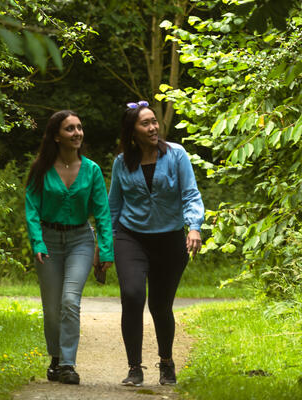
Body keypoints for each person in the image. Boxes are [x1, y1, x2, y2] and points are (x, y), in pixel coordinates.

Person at [107, 100, 205, 386]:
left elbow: (190, 194)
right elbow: (114, 206)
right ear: (132, 131)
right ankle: (134, 368)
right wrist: (106, 246)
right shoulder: (121, 162)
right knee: (133, 295)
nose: (153, 127)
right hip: (131, 237)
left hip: (169, 239)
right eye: (145, 123)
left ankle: (166, 362)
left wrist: (194, 227)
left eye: (154, 122)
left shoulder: (176, 155)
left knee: (161, 306)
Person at [24, 110, 115, 385]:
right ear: (56, 136)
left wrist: (106, 250)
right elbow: (31, 209)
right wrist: (37, 241)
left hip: (80, 241)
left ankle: (67, 364)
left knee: (69, 301)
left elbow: (102, 213)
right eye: (69, 129)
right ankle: (54, 357)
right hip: (49, 243)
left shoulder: (92, 170)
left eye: (79, 127)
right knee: (51, 308)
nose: (77, 133)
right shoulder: (40, 168)